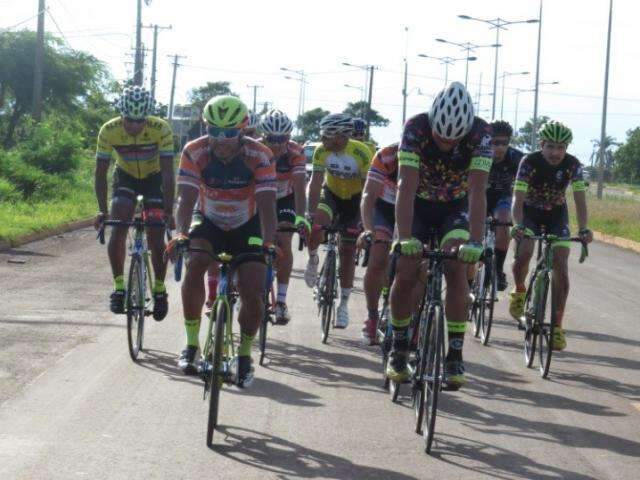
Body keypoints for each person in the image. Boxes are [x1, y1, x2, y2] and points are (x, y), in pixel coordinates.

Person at [386, 82, 493, 390]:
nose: (446, 143)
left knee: (457, 265)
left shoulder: (480, 134)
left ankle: (455, 355)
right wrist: (403, 237)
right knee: (406, 270)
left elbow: (476, 191)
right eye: (440, 137)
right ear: (431, 122)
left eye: (453, 138)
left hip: (455, 207)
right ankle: (399, 347)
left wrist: (475, 241)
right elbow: (405, 187)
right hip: (418, 204)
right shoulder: (416, 128)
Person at [170, 95, 277, 386]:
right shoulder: (195, 150)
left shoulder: (260, 155)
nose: (221, 139)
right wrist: (180, 232)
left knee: (252, 287)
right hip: (208, 220)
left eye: (229, 132)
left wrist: (269, 244)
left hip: (248, 223)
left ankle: (243, 355)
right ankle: (191, 345)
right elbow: (186, 197)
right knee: (196, 264)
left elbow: (268, 205)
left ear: (242, 131)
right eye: (213, 131)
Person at [509, 121, 593, 350]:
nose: (556, 153)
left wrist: (584, 228)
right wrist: (517, 224)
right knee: (524, 253)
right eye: (551, 147)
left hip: (557, 215)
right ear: (542, 144)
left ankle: (556, 327)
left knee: (561, 269)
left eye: (561, 147)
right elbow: (517, 198)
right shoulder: (529, 162)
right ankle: (519, 289)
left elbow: (579, 199)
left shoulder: (573, 164)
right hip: (529, 213)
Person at [94, 85, 175, 320]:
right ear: (122, 114)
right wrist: (102, 210)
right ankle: (119, 288)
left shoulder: (161, 129)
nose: (135, 126)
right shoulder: (108, 130)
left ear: (147, 116)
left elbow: (169, 173)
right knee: (118, 225)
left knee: (155, 234)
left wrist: (169, 211)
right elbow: (100, 173)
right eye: (129, 120)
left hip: (154, 179)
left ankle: (159, 291)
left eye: (140, 121)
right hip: (126, 177)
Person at [304, 113, 371, 328]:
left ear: (341, 136)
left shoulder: (361, 152)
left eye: (327, 136)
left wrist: (362, 221)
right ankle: (313, 259)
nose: (322, 141)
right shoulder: (320, 151)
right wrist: (310, 214)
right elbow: (315, 183)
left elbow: (366, 192)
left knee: (348, 251)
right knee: (316, 227)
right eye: (322, 136)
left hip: (354, 201)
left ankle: (343, 304)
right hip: (330, 195)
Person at [259, 109, 310, 324]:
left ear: (289, 137)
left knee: (284, 239)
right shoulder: (255, 149)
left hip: (285, 198)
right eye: (272, 139)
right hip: (260, 196)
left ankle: (280, 300)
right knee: (254, 239)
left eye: (282, 139)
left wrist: (300, 218)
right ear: (264, 136)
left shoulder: (296, 152)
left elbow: (299, 186)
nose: (277, 144)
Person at [357, 143, 398, 345]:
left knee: (417, 265)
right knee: (378, 259)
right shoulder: (386, 156)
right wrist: (368, 229)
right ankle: (373, 317)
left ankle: (411, 320)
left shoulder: (428, 156)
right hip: (384, 209)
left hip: (417, 211)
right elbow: (368, 196)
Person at [486, 120, 524, 290]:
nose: (499, 148)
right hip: (479, 196)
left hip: (503, 197)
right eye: (495, 143)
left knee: (503, 224)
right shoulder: (478, 153)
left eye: (504, 143)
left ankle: (498, 270)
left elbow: (528, 183)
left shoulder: (517, 158)